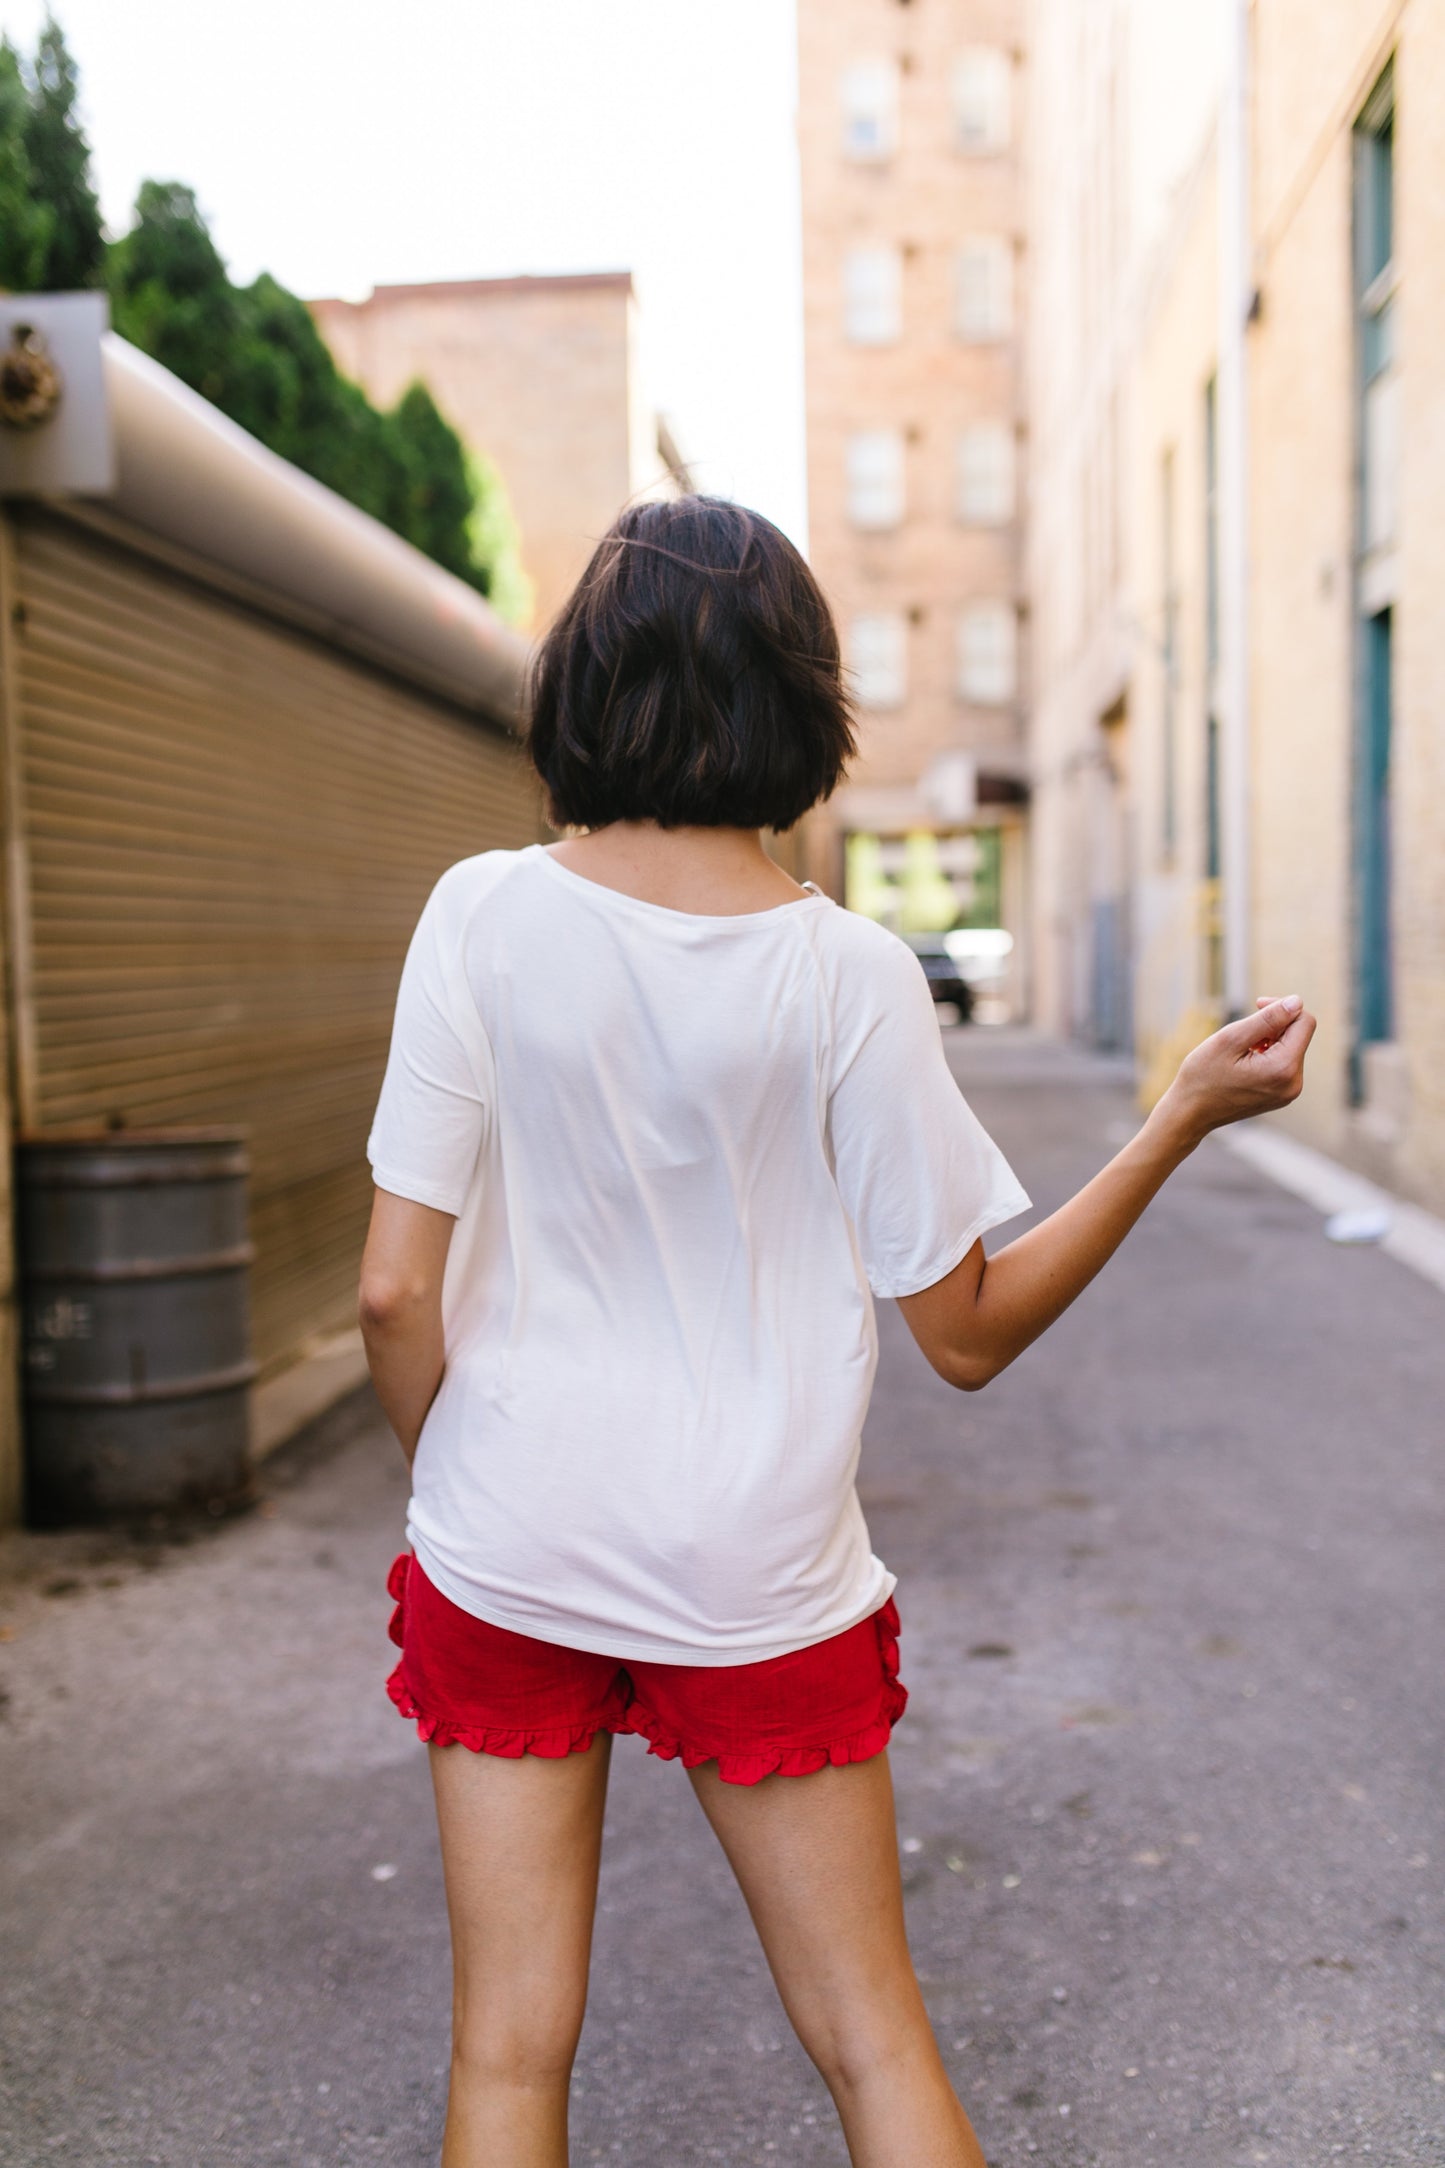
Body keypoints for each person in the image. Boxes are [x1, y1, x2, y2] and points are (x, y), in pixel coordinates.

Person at [358, 496, 1314, 2168]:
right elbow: (965, 1332)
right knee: (871, 2043)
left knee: (506, 2054)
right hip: (756, 1569)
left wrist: (467, 1485)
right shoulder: (846, 974)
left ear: (582, 683)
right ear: (798, 701)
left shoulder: (478, 915)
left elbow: (388, 1292)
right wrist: (1171, 1120)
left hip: (500, 1545)